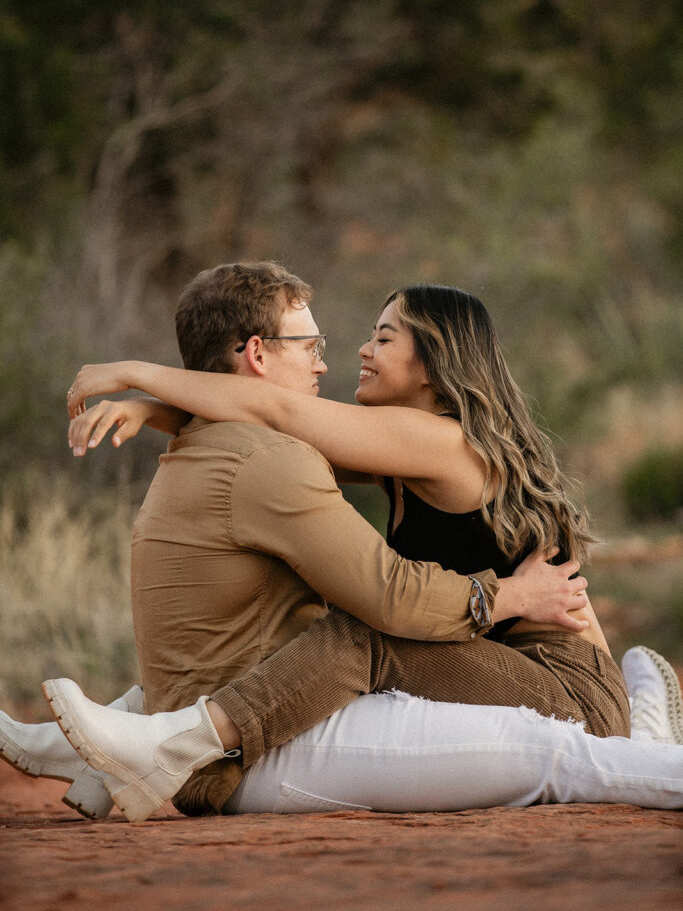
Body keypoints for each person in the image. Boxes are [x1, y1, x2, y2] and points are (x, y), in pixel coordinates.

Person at [38, 265, 683, 821]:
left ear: (430, 363)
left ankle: (178, 744)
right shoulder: (400, 452)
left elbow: (279, 413)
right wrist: (157, 412)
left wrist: (135, 374)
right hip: (522, 674)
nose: (360, 351)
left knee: (370, 628)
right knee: (373, 621)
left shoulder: (442, 442)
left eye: (383, 337)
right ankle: (647, 716)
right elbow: (275, 425)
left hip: (567, 693)